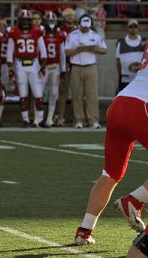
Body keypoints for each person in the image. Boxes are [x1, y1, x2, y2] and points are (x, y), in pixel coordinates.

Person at [74, 43, 148, 246]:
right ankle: (134, 200)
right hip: (140, 106)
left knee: (111, 174)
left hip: (120, 102)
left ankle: (84, 230)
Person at [64, 14, 106, 129]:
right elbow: (67, 52)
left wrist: (95, 49)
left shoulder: (95, 35)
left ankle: (94, 120)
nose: (85, 28)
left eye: (87, 26)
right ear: (79, 24)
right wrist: (77, 50)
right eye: (83, 26)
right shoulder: (72, 35)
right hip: (76, 66)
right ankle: (79, 120)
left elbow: (104, 49)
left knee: (92, 94)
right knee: (77, 94)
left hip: (91, 66)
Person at [7, 9, 47, 127]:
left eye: (27, 20)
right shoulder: (14, 32)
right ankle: (25, 120)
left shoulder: (37, 31)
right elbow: (10, 52)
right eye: (23, 20)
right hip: (20, 64)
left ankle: (39, 120)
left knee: (38, 93)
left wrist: (43, 66)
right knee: (23, 94)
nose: (25, 22)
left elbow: (43, 51)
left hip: (34, 64)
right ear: (19, 21)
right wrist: (10, 68)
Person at [41, 11, 66, 126]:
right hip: (43, 67)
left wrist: (63, 70)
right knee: (39, 92)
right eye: (49, 21)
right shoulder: (40, 33)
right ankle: (39, 118)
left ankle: (49, 118)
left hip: (55, 67)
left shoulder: (60, 35)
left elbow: (62, 54)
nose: (51, 24)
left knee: (54, 92)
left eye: (52, 21)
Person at [116, 19, 146, 92]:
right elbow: (118, 61)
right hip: (125, 80)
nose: (133, 28)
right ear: (127, 28)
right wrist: (121, 74)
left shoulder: (145, 42)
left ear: (138, 28)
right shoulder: (121, 43)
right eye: (131, 26)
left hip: (140, 79)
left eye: (135, 26)